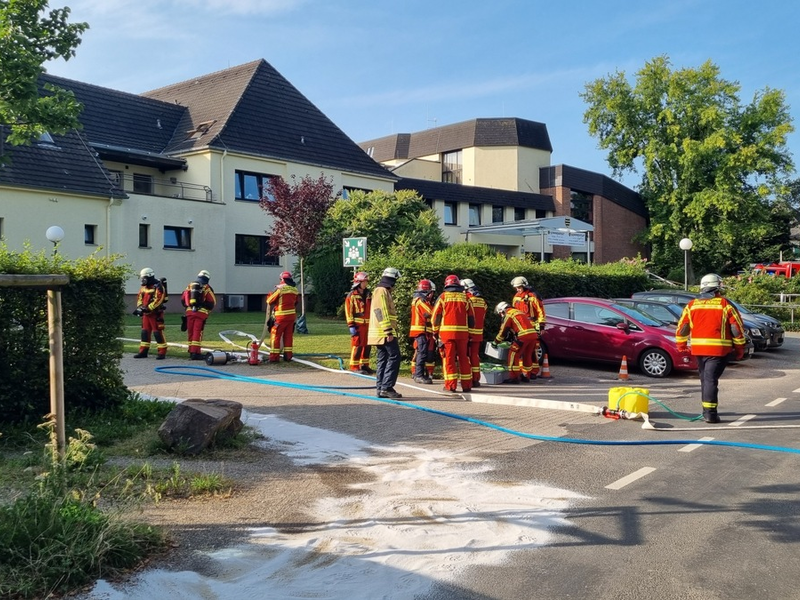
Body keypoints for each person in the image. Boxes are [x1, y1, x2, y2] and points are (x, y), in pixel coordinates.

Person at [675, 273, 747, 423]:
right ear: (716, 289)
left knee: (705, 379)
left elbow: (683, 328)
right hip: (718, 351)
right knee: (710, 380)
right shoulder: (724, 305)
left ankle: (706, 410)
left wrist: (681, 345)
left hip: (698, 350)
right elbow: (736, 328)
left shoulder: (692, 305)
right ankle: (710, 413)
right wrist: (740, 349)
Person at [432, 274, 474, 393]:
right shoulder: (466, 298)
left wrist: (435, 331)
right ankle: (466, 386)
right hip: (463, 335)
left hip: (447, 335)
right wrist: (469, 332)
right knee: (464, 359)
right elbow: (472, 319)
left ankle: (450, 386)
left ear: (447, 284)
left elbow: (436, 317)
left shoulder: (443, 297)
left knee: (449, 360)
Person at [368, 267, 403, 399]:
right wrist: (388, 331)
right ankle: (387, 387)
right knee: (395, 356)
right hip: (384, 332)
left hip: (381, 332)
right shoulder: (381, 291)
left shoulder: (382, 291)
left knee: (383, 359)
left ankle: (381, 388)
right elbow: (380, 311)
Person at [493, 301, 538, 384]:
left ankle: (514, 377)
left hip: (523, 336)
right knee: (527, 355)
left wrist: (496, 342)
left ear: (502, 310)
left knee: (513, 355)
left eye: (500, 313)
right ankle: (526, 376)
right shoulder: (518, 312)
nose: (501, 316)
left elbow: (504, 330)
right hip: (533, 335)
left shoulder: (509, 314)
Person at [511, 276, 546, 376]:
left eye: (519, 287)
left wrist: (541, 326)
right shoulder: (516, 296)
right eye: (516, 288)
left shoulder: (533, 296)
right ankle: (524, 372)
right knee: (522, 350)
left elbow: (541, 312)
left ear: (524, 286)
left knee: (532, 350)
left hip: (532, 325)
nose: (517, 289)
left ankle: (533, 372)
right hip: (520, 327)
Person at [133, 267, 168, 359]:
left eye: (144, 278)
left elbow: (159, 299)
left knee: (157, 333)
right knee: (145, 332)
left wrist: (148, 308)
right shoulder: (144, 287)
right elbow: (139, 297)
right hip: (146, 314)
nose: (142, 280)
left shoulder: (158, 286)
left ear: (149, 277)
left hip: (155, 314)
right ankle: (143, 351)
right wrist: (140, 307)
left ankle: (162, 352)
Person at [181, 270, 216, 360]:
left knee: (191, 332)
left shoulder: (189, 286)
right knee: (197, 332)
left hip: (189, 313)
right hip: (201, 313)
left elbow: (183, 299)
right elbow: (212, 302)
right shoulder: (206, 287)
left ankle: (190, 350)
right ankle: (195, 353)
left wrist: (189, 307)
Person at [344, 271, 374, 374]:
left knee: (367, 345)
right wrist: (351, 325)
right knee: (357, 345)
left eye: (366, 281)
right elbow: (348, 311)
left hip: (368, 325)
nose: (366, 283)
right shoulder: (352, 295)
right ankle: (354, 366)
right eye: (364, 281)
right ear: (358, 282)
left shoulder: (369, 294)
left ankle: (364, 365)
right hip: (357, 325)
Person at [266, 271, 300, 363]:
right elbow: (296, 302)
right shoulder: (295, 290)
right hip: (291, 317)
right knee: (288, 336)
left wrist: (271, 292)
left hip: (281, 317)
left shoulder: (280, 289)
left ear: (282, 279)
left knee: (275, 336)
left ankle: (274, 358)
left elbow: (269, 301)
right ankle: (288, 357)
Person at [461, 278, 487, 388]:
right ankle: (476, 379)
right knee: (475, 356)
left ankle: (468, 379)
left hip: (468, 333)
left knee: (465, 356)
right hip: (478, 334)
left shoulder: (467, 300)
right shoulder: (483, 301)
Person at [409, 279, 437, 384]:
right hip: (420, 330)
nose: (432, 295)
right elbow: (431, 313)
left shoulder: (421, 300)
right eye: (431, 292)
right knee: (422, 352)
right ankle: (418, 375)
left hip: (423, 331)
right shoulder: (420, 301)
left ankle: (421, 374)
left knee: (423, 352)